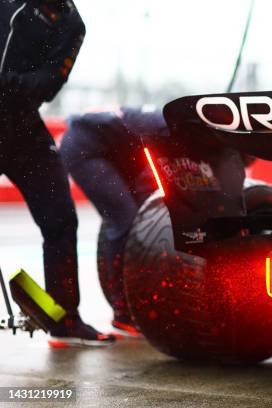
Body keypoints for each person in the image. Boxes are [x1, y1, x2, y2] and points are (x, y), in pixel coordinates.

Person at [0, 0, 115, 346]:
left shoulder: (72, 23)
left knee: (62, 219)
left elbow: (48, 85)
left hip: (22, 128)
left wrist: (6, 83)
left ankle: (64, 319)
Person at [60, 106, 165, 337]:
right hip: (85, 151)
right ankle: (123, 313)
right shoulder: (165, 128)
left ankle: (132, 302)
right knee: (124, 221)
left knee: (134, 219)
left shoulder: (160, 125)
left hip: (110, 150)